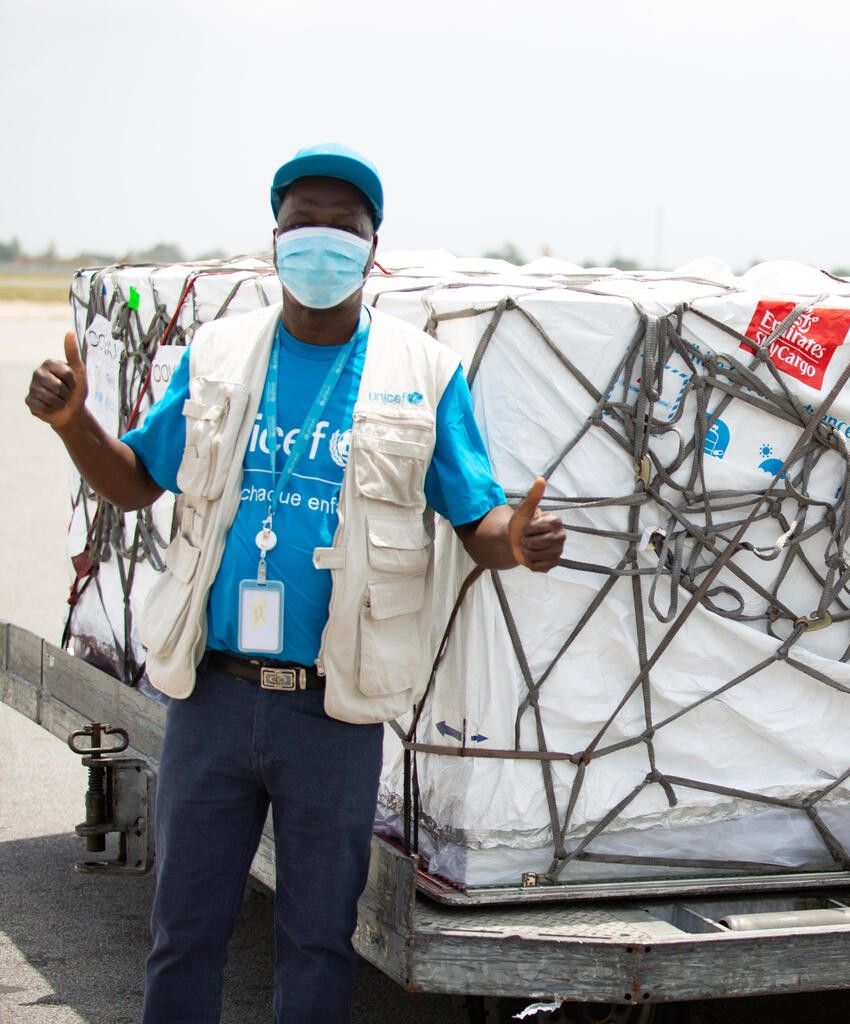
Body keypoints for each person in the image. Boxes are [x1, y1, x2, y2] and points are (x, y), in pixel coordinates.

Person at [25, 142, 565, 1023]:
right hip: (212, 698)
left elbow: (478, 522)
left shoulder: (423, 375)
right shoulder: (219, 355)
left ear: (372, 247)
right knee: (185, 929)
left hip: (332, 713)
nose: (320, 243)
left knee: (319, 941)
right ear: (273, 242)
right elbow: (133, 480)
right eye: (300, 224)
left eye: (340, 228)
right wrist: (73, 421)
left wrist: (522, 541)